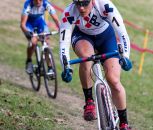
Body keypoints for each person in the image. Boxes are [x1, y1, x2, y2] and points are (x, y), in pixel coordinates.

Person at [59, 0, 132, 130]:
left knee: (114, 81)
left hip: (106, 37)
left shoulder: (104, 5)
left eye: (85, 3)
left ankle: (124, 123)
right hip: (83, 36)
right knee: (86, 59)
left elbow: (122, 33)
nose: (81, 8)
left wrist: (125, 56)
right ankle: (89, 102)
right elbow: (63, 43)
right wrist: (66, 67)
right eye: (77, 3)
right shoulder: (69, 12)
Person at [20, 0, 60, 74]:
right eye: (36, 0)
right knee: (33, 42)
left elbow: (56, 20)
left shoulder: (46, 3)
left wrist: (61, 29)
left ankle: (50, 67)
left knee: (46, 42)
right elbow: (22, 24)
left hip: (40, 23)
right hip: (29, 24)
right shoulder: (28, 4)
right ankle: (29, 61)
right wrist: (27, 33)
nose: (38, 2)